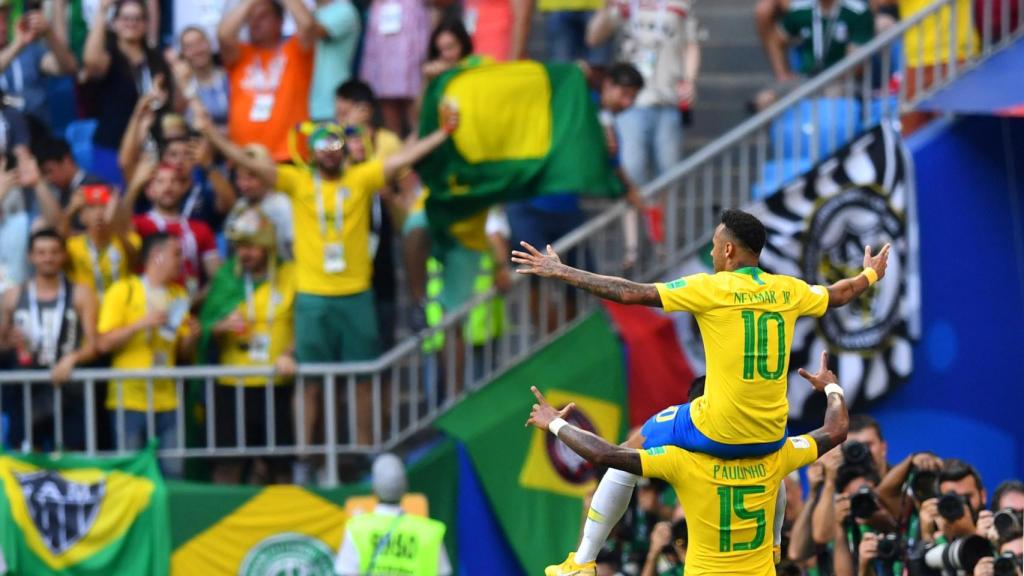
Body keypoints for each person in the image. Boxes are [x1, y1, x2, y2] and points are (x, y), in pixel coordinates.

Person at [513, 208, 891, 572]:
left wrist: (561, 271)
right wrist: (870, 276)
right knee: (776, 466)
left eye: (714, 244)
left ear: (728, 249)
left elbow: (629, 293)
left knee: (627, 451)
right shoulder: (788, 290)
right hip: (770, 437)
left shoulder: (710, 288)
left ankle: (582, 561)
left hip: (718, 430)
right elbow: (841, 293)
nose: (710, 251)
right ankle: (773, 544)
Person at [195, 98, 458, 458]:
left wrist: (443, 133)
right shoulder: (296, 180)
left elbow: (403, 159)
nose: (330, 152)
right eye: (322, 145)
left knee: (364, 379)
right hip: (312, 298)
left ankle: (366, 451)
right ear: (310, 150)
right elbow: (246, 162)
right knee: (310, 383)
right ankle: (307, 458)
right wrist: (211, 133)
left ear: (344, 148)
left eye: (336, 144)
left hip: (355, 295)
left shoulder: (361, 177)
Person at [526, 349, 850, 576]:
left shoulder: (680, 460)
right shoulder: (774, 454)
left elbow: (604, 455)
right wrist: (832, 387)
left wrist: (556, 423)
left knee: (620, 464)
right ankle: (774, 547)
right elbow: (835, 430)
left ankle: (583, 562)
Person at [200, 209, 296, 485]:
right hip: (231, 386)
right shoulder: (227, 278)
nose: (245, 253)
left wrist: (289, 352)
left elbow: (303, 321)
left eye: (252, 246)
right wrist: (218, 327)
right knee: (227, 466)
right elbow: (205, 327)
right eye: (240, 246)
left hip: (275, 384)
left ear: (267, 246)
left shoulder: (290, 274)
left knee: (279, 468)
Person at [97, 232, 199, 478]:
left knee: (175, 472)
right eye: (176, 254)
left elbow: (183, 353)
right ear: (157, 255)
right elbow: (103, 343)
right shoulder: (124, 290)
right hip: (128, 399)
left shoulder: (179, 296)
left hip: (168, 400)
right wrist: (139, 324)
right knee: (130, 473)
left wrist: (192, 337)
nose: (180, 261)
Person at [585, 0, 700, 188]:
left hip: (668, 97)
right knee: (631, 170)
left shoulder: (682, 3)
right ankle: (631, 218)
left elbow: (691, 44)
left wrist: (689, 80)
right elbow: (593, 38)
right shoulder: (623, 3)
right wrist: (606, 7)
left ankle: (660, 218)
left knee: (668, 173)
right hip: (630, 101)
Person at [0, 229, 96, 451]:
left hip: (67, 388)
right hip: (24, 389)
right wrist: (9, 342)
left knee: (72, 459)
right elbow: (1, 343)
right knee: (25, 464)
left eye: (54, 252)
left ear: (63, 255)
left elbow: (94, 345)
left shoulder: (81, 294)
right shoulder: (13, 295)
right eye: (41, 253)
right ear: (30, 257)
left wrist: (72, 358)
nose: (48, 258)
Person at [83, 0, 174, 188]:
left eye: (137, 18)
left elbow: (172, 102)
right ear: (115, 23)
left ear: (146, 24)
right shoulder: (109, 55)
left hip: (149, 148)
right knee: (114, 204)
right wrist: (103, 11)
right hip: (112, 146)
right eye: (125, 18)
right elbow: (91, 61)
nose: (131, 23)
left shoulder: (155, 58)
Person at [218, 0, 316, 161]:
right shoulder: (240, 54)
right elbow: (224, 34)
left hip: (287, 156)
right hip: (244, 158)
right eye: (251, 17)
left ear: (280, 21)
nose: (255, 22)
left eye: (263, 16)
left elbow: (307, 26)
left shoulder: (295, 51)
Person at [333, 453, 452, 575]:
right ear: (406, 488)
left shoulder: (357, 529)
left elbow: (346, 572)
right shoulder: (429, 532)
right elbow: (443, 572)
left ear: (373, 489)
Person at [119, 161, 221, 297]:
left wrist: (192, 302)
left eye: (174, 181)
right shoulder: (139, 224)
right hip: (147, 305)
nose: (168, 186)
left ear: (184, 187)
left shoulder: (201, 229)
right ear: (149, 191)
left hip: (190, 306)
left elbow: (216, 277)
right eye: (160, 182)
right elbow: (119, 229)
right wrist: (134, 187)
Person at [0, 1, 78, 134]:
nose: (2, 26)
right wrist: (17, 45)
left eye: (3, 18)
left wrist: (49, 34)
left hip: (38, 136)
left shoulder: (30, 50)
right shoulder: (18, 46)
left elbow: (68, 67)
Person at [359, 0, 430, 135]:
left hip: (411, 72)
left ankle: (420, 153)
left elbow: (423, 39)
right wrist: (368, 76)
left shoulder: (415, 4)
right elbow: (371, 44)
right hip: (384, 74)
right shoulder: (378, 5)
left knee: (417, 124)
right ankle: (397, 153)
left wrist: (422, 67)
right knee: (392, 127)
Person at [62, 183, 140, 301]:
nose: (99, 213)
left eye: (105, 206)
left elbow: (135, 258)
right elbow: (51, 243)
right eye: (92, 207)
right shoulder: (72, 246)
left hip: (122, 311)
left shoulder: (130, 239)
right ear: (81, 216)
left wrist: (113, 222)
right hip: (87, 311)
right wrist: (71, 209)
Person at [222, 143, 294, 260]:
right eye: (240, 177)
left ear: (266, 175)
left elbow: (293, 250)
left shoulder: (283, 206)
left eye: (251, 178)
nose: (244, 185)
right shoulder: (240, 206)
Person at [304, 0, 360, 122]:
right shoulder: (313, 11)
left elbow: (309, 30)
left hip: (329, 106)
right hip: (302, 105)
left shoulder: (344, 10)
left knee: (331, 141)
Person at [167, 26, 230, 131]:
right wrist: (183, 83)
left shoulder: (229, 78)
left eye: (200, 43)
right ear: (182, 53)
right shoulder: (182, 83)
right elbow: (178, 114)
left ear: (210, 44)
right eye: (189, 46)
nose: (196, 50)